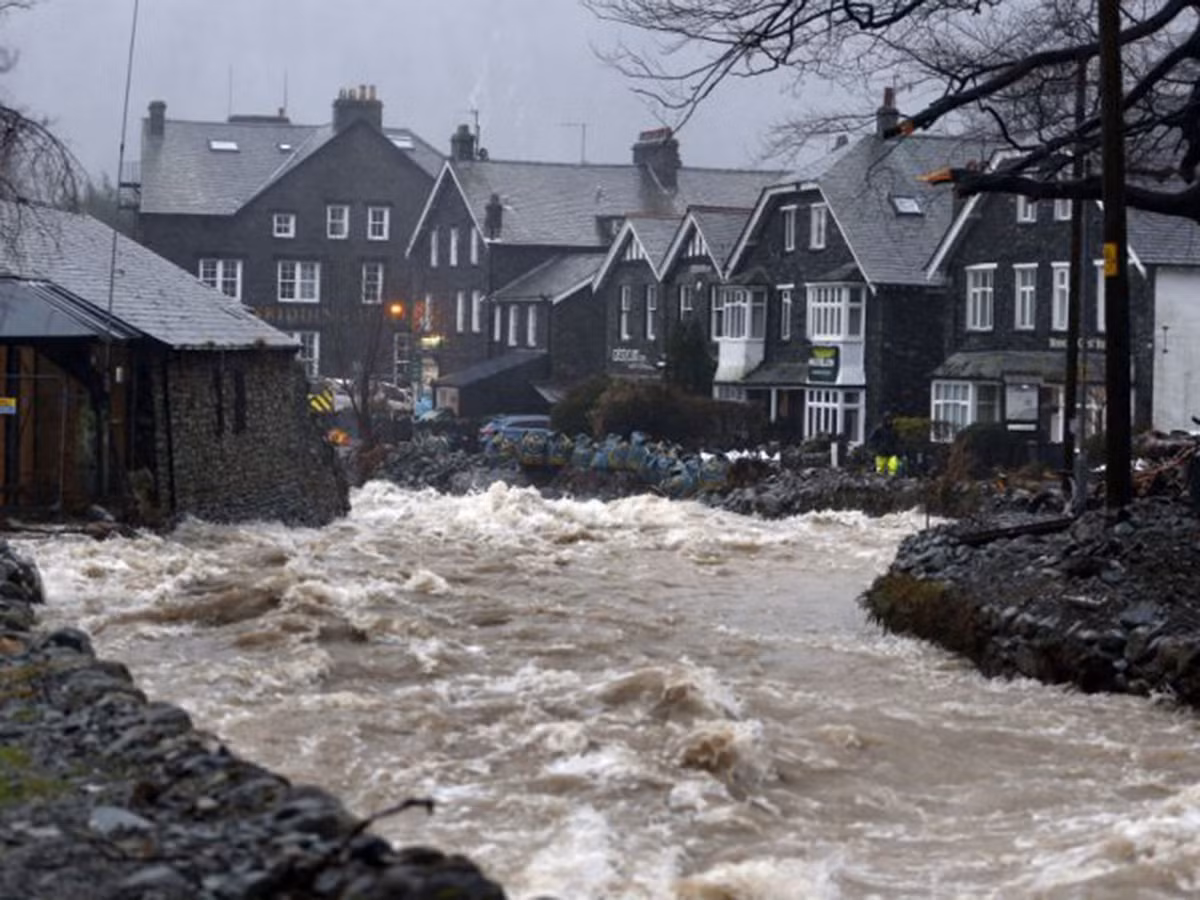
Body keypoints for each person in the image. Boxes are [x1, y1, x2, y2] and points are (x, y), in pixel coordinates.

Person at [868, 412, 900, 476]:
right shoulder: (879, 429)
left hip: (892, 453)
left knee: (893, 470)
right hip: (881, 453)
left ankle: (891, 481)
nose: (889, 421)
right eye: (888, 420)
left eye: (890, 420)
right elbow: (872, 439)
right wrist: (876, 448)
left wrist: (898, 450)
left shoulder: (894, 430)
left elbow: (897, 441)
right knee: (879, 471)